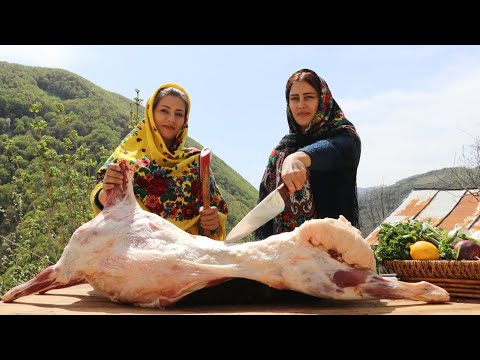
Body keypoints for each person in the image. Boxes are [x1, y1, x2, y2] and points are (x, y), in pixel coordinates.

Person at [89, 83, 228, 240]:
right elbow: (101, 197)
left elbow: (217, 218)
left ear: (185, 120)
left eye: (179, 114)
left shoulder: (196, 163)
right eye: (164, 111)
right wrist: (107, 193)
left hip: (183, 257)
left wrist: (213, 222)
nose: (171, 119)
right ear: (150, 112)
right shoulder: (127, 157)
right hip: (135, 254)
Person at [255, 68, 361, 241]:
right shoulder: (280, 151)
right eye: (294, 98)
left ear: (323, 100)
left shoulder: (345, 137)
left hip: (333, 255)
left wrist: (300, 157)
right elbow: (263, 218)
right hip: (286, 259)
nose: (301, 105)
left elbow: (336, 149)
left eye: (309, 97)